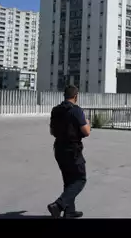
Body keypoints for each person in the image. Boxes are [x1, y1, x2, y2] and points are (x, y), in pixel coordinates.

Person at [47, 85, 91, 219]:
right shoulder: (76, 111)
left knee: (68, 180)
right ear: (76, 96)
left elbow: (52, 131)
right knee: (80, 179)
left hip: (59, 148)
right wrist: (88, 123)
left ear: (64, 96)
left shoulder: (56, 110)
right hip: (73, 150)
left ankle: (69, 211)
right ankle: (59, 205)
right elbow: (86, 132)